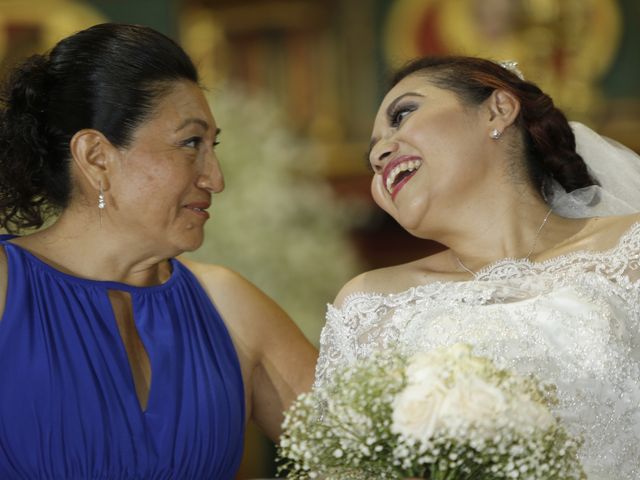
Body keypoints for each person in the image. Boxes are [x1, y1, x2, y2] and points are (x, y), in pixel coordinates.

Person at [0, 23, 317, 479]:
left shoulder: (230, 307)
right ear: (96, 157)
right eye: (191, 143)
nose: (216, 178)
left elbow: (373, 459)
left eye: (213, 146)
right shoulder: (7, 288)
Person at [314, 56, 640, 478]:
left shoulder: (631, 248)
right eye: (371, 153)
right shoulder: (370, 305)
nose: (379, 153)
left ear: (498, 110)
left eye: (403, 115)